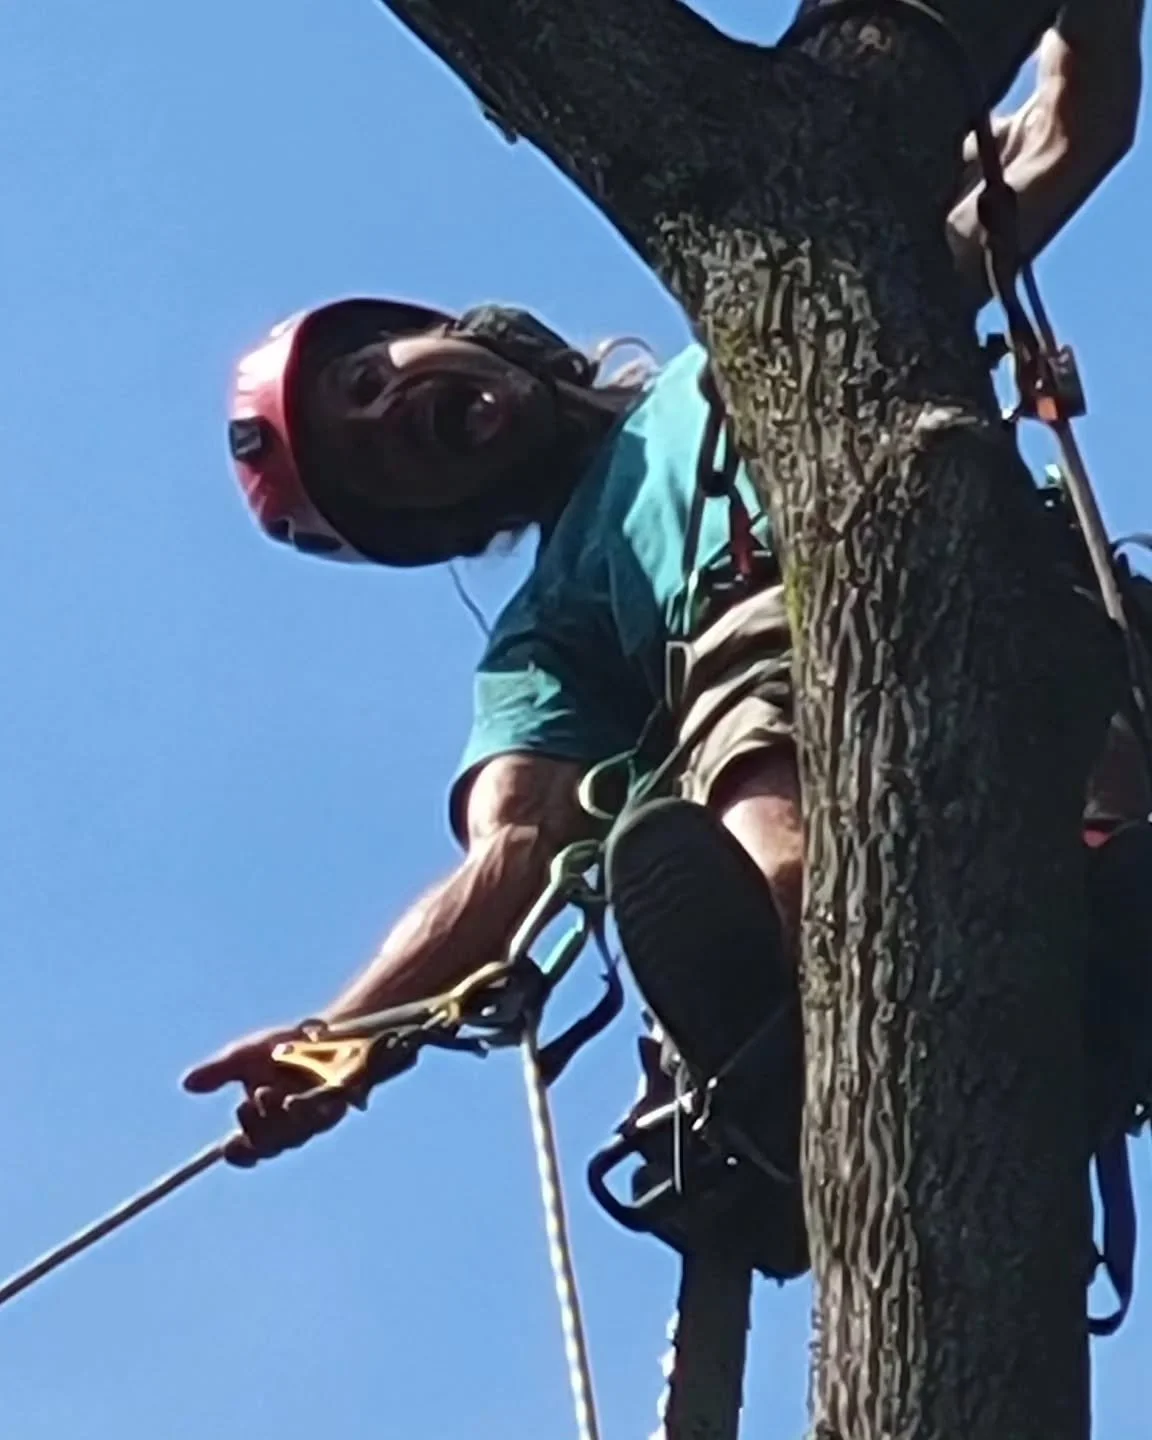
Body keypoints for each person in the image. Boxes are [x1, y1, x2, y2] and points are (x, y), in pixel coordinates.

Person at [186, 3, 1148, 1184]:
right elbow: (515, 854)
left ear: (448, 332)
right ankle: (790, 1053)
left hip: (1008, 600)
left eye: (372, 375)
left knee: (1100, 784)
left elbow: (1065, 134)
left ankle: (1101, 918)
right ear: (438, 523)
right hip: (770, 667)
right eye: (374, 458)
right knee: (768, 842)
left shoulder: (803, 307)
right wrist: (349, 1038)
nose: (390, 413)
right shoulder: (545, 636)